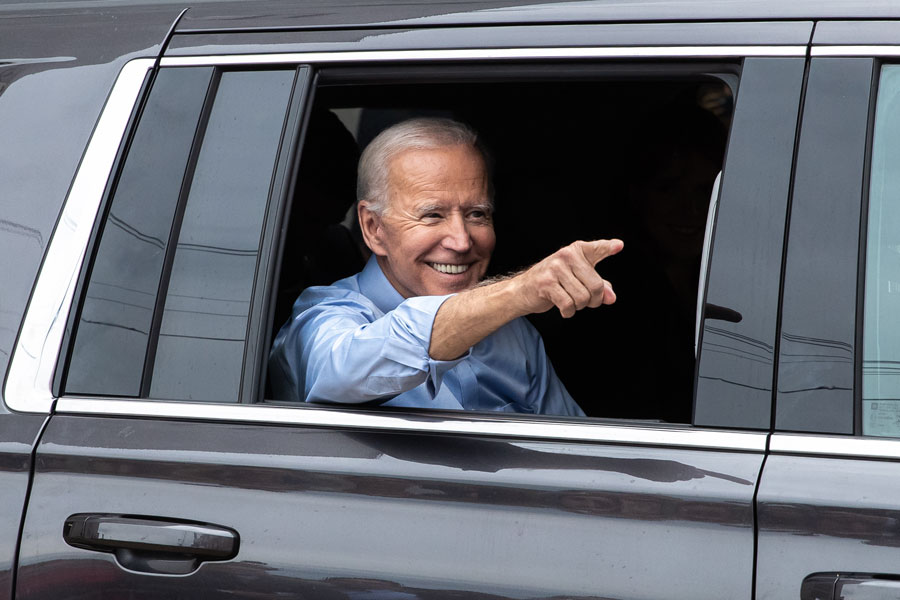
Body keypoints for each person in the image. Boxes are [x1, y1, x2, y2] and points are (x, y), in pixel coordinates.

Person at [268, 117, 622, 415]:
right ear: (374, 229)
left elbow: (573, 452)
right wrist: (520, 290)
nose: (462, 240)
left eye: (476, 214)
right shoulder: (323, 317)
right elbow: (345, 371)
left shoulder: (514, 334)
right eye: (432, 215)